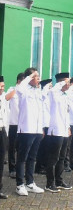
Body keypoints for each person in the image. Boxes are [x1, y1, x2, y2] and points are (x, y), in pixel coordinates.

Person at [15, 68, 45, 196]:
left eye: (38, 76)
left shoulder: (38, 91)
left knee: (32, 158)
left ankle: (30, 183)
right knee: (22, 158)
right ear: (30, 77)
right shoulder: (24, 89)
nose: (38, 78)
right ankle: (19, 184)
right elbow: (19, 88)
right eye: (36, 76)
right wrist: (30, 76)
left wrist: (42, 127)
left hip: (37, 130)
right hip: (26, 129)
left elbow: (41, 110)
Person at [45, 72, 72, 193]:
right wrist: (60, 84)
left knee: (62, 157)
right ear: (60, 82)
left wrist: (68, 127)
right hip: (55, 130)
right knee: (53, 158)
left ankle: (59, 180)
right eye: (67, 82)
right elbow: (53, 91)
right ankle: (49, 183)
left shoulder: (65, 95)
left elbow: (66, 113)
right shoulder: (53, 93)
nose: (68, 84)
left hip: (64, 130)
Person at [5, 72, 24, 179]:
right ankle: (12, 169)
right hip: (13, 123)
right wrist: (17, 89)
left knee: (21, 148)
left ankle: (19, 169)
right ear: (18, 81)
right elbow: (7, 98)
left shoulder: (26, 92)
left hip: (23, 124)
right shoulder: (12, 89)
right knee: (12, 148)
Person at [0, 75, 15, 199]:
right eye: (0, 86)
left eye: (3, 86)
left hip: (2, 131)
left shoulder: (3, 98)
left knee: (1, 161)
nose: (2, 88)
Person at [34, 78, 52, 174]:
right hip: (43, 125)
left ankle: (44, 165)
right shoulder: (42, 96)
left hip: (48, 124)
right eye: (49, 85)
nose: (51, 87)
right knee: (42, 148)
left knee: (47, 147)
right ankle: (39, 167)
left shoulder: (48, 97)